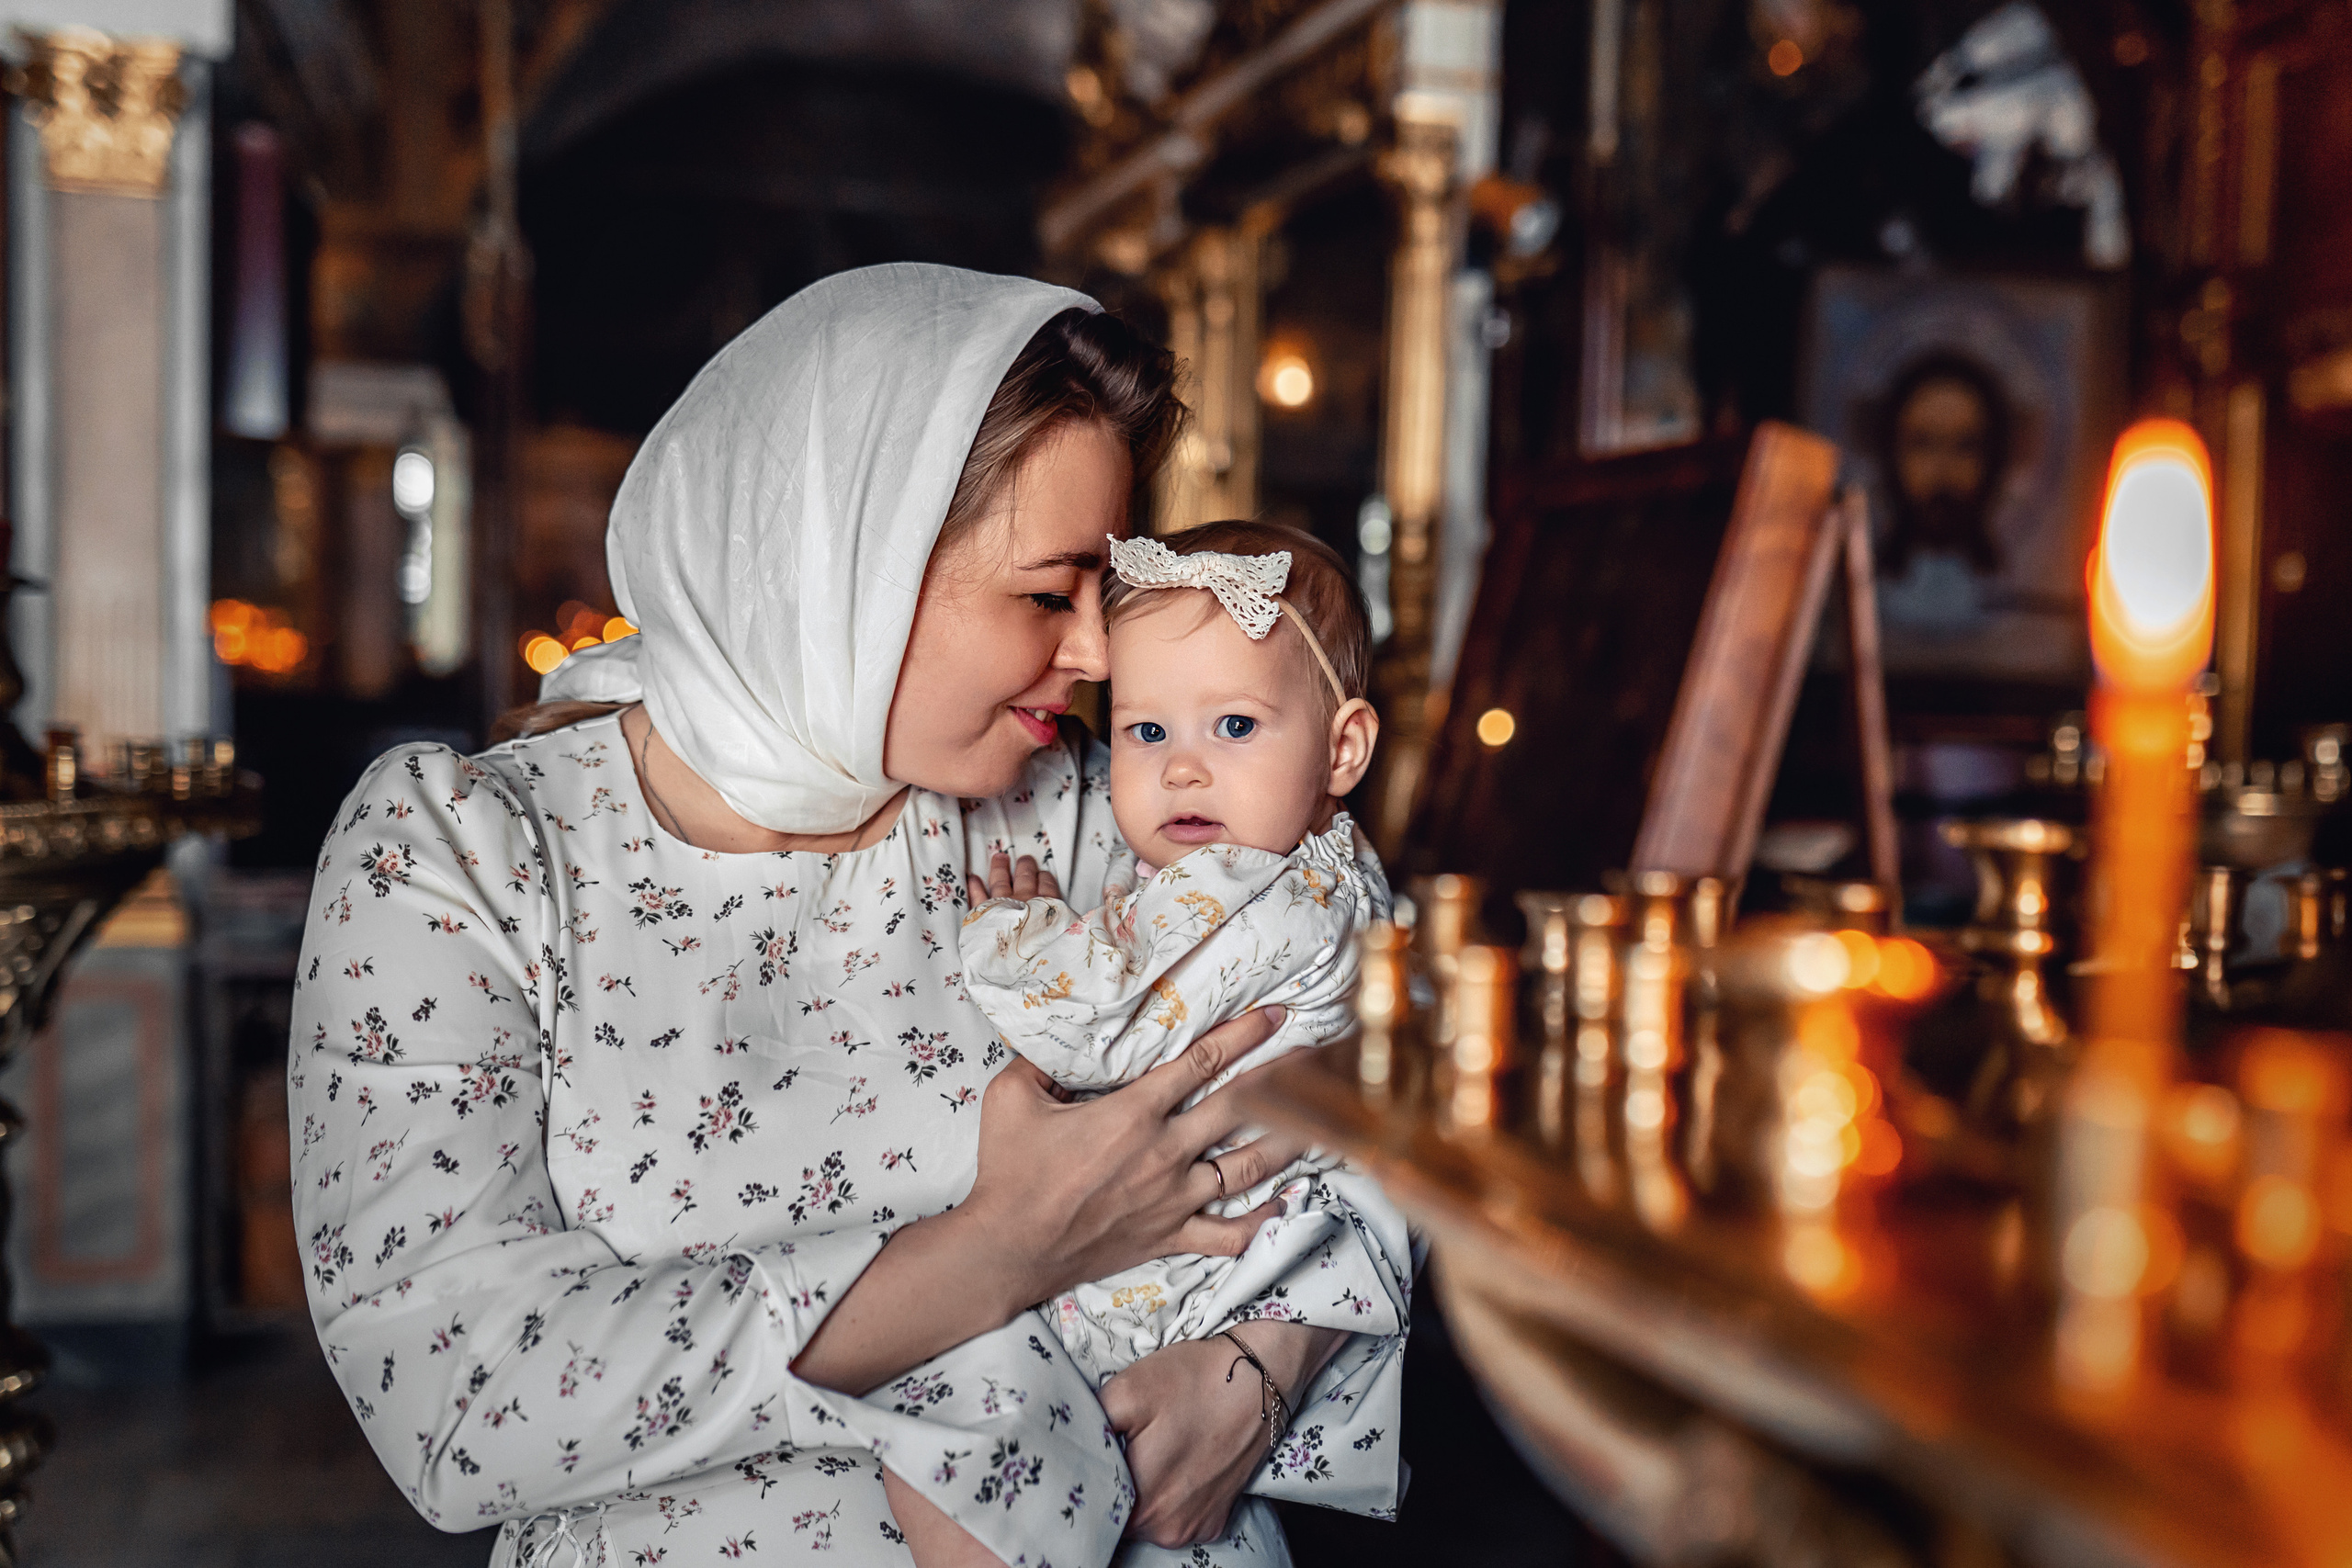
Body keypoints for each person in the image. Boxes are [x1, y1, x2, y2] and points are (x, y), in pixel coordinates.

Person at [288, 265, 1410, 1568]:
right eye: (1050, 593)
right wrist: (999, 1250)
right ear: (847, 571)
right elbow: (460, 1398)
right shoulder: (467, 855)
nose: (1102, 654)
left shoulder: (1091, 816)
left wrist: (1264, 1362)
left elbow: (1394, 1068)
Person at [910, 523, 1391, 1568]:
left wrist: (1014, 933)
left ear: (1342, 749)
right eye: (1143, 733)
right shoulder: (1337, 876)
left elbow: (1081, 1022)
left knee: (950, 1467)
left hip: (1163, 1280)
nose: (1181, 771)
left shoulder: (1245, 894)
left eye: (1232, 725)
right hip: (1245, 1260)